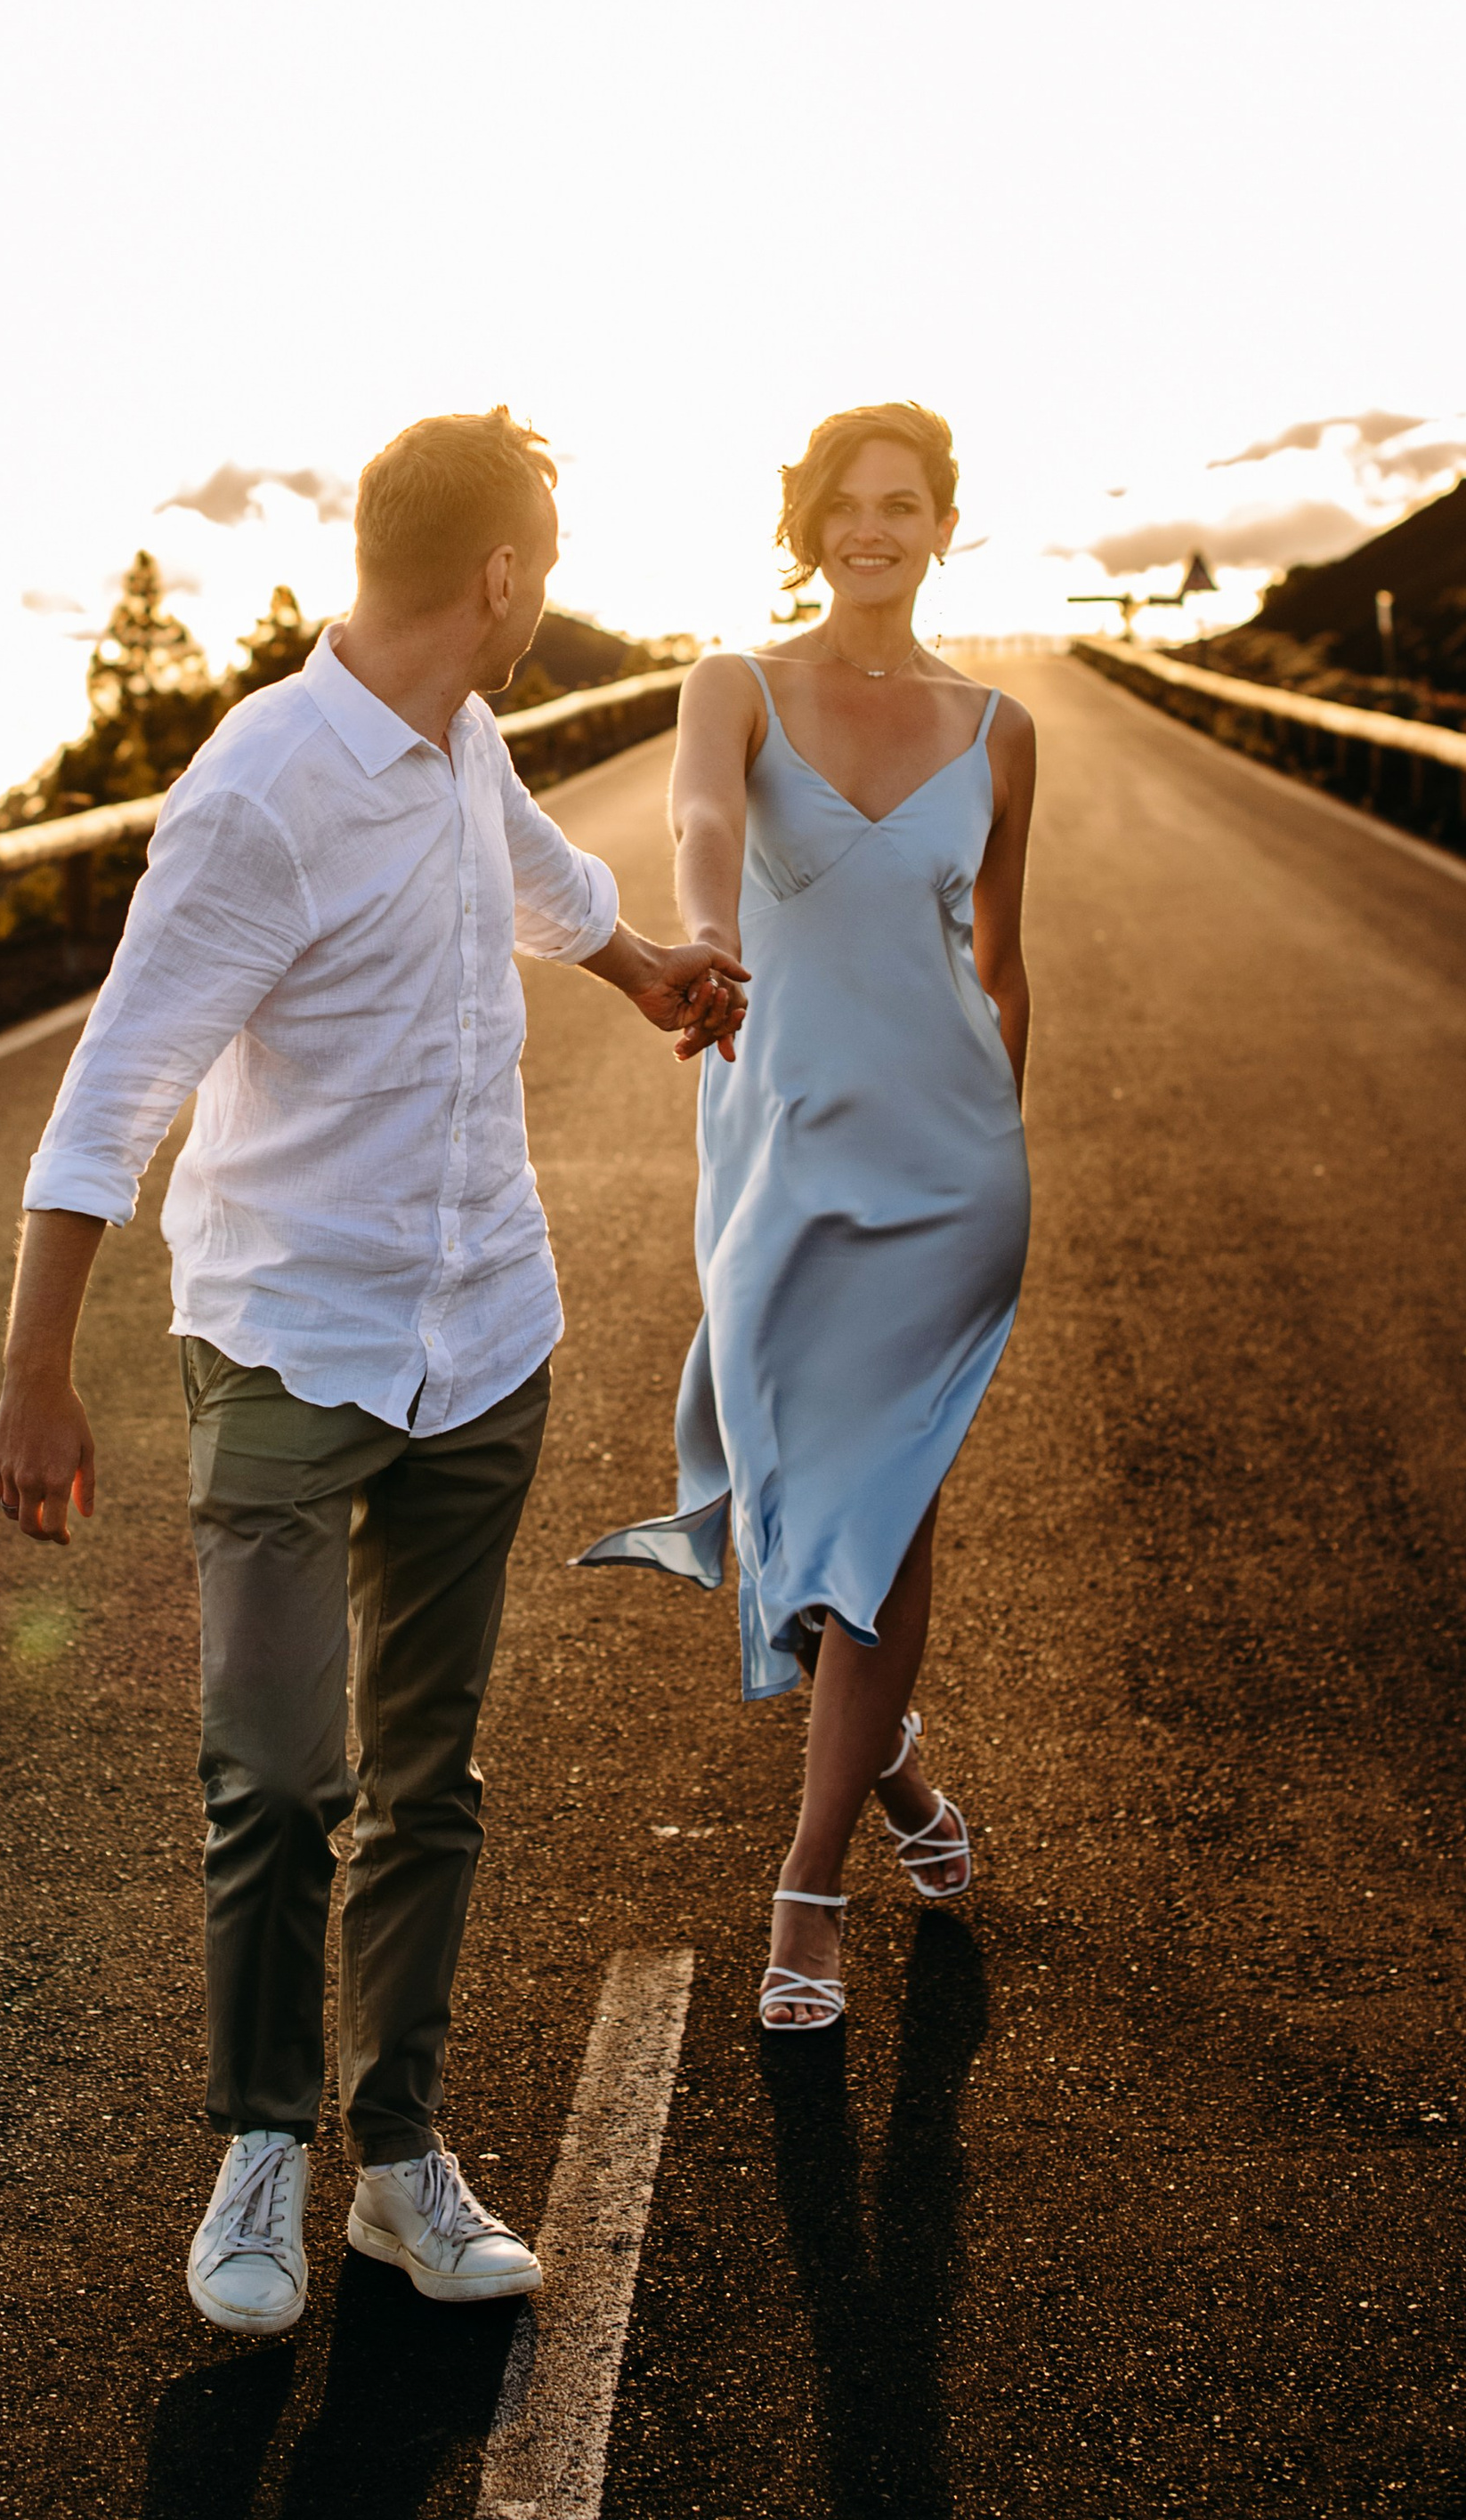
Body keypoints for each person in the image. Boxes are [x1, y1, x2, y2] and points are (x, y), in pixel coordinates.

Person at [0, 408, 746, 2330]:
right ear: (494, 575)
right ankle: (259, 2144)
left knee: (428, 1777)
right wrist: (34, 1375)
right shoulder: (258, 792)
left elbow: (539, 885)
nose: (548, 596)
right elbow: (115, 1090)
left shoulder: (458, 739)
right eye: (545, 564)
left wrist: (646, 963)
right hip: (282, 1344)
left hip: (481, 1330)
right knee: (273, 1773)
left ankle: (393, 2161)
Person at [576, 401, 1033, 2031]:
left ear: (943, 522)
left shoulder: (1001, 727)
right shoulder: (735, 685)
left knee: (891, 1507)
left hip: (950, 1174)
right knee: (799, 1512)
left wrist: (998, 1137)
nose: (876, 527)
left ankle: (809, 1879)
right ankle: (897, 1764)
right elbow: (701, 820)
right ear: (808, 522)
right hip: (778, 1158)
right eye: (849, 502)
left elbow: (1001, 956)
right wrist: (704, 934)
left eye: (906, 503)